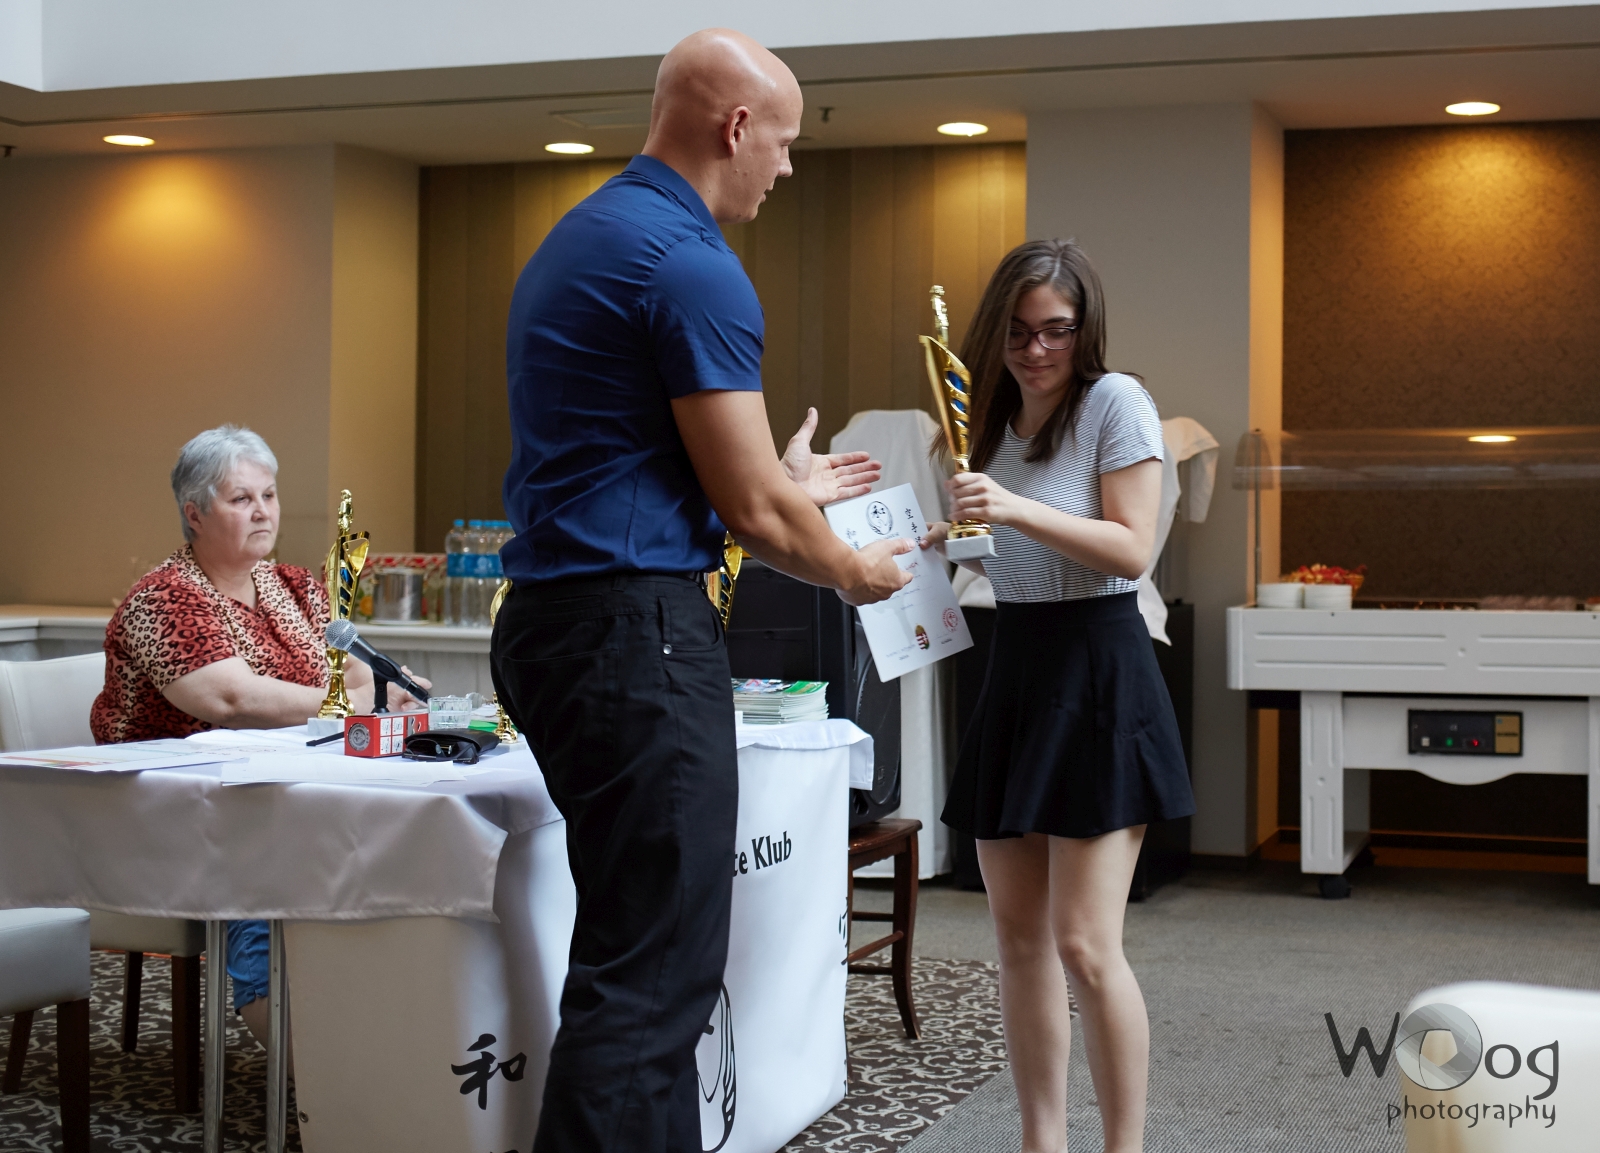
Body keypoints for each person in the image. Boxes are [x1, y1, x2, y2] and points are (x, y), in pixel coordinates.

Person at [490, 27, 911, 1152]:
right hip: (630, 634)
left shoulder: (583, 237)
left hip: (557, 626)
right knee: (650, 981)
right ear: (735, 127)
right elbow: (754, 513)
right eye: (783, 140)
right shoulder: (692, 264)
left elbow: (646, 465)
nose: (786, 165)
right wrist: (861, 572)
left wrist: (780, 481)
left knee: (639, 957)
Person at [927, 240, 1195, 1153]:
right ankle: (1042, 1142)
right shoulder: (982, 422)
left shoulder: (1116, 401)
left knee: (1085, 942)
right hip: (1017, 664)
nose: (1036, 348)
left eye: (1056, 330)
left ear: (1086, 330)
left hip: (1100, 663)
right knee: (1018, 940)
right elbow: (994, 553)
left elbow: (1132, 548)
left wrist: (1009, 506)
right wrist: (941, 540)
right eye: (1018, 331)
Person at [91, 424, 426, 1051]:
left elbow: (358, 674)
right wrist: (357, 705)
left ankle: (387, 1037)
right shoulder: (162, 598)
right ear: (194, 514)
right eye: (241, 499)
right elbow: (230, 700)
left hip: (281, 797)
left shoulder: (293, 585)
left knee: (395, 841)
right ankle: (317, 1066)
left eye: (268, 496)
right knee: (277, 858)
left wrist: (391, 690)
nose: (263, 511)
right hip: (172, 811)